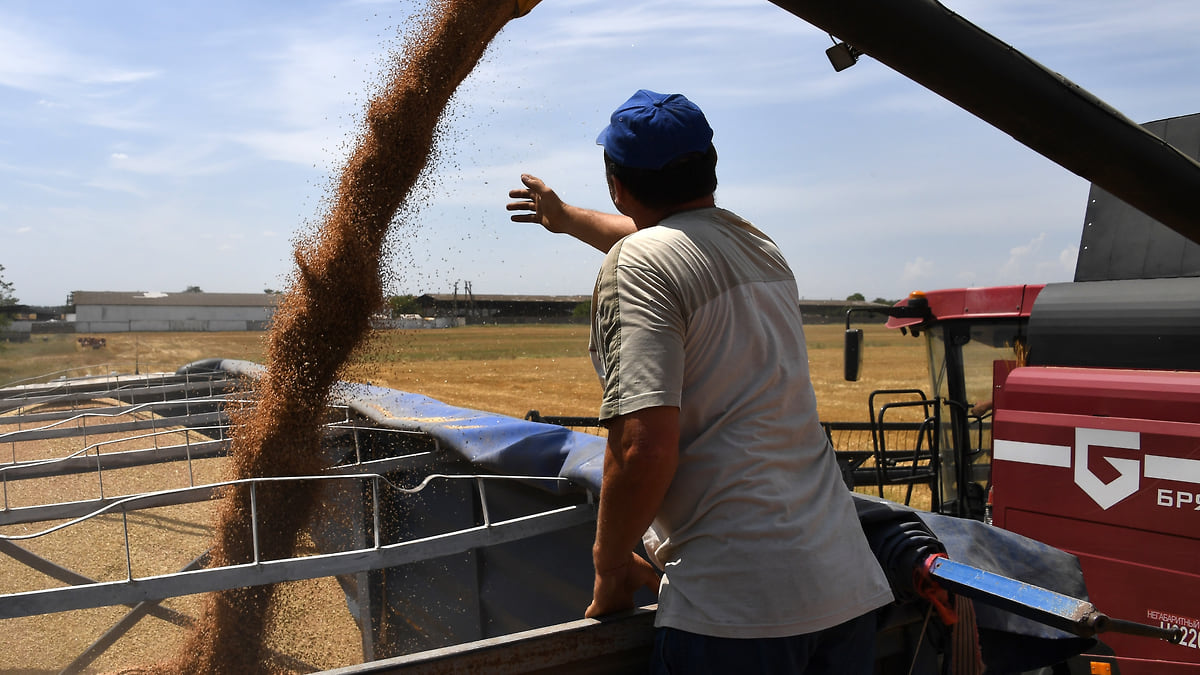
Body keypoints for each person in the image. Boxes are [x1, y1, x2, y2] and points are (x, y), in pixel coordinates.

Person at [507, 89, 893, 673]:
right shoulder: (759, 247)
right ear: (709, 165)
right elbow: (660, 238)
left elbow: (642, 447)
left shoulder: (639, 264)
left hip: (735, 614)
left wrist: (610, 566)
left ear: (616, 179)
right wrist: (565, 220)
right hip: (843, 591)